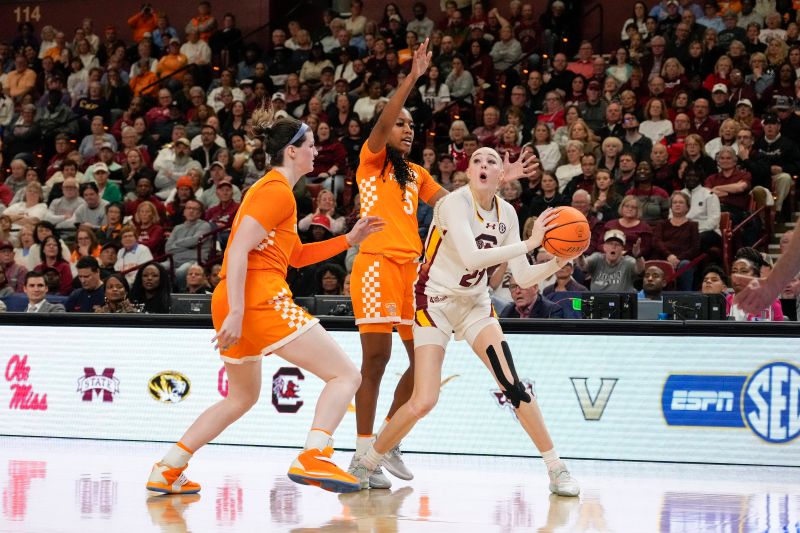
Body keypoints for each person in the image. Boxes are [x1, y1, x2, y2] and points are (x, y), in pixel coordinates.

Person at [145, 105, 384, 496]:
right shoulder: (275, 191)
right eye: (309, 145)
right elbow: (236, 249)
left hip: (238, 297)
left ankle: (168, 468)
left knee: (241, 397)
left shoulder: (275, 193)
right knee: (346, 375)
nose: (315, 151)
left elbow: (295, 257)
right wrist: (238, 312)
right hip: (254, 297)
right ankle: (314, 454)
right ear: (291, 151)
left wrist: (349, 240)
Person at [348, 147, 579, 497]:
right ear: (468, 173)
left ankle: (556, 467)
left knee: (513, 384)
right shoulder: (454, 203)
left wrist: (559, 260)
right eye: (477, 161)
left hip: (474, 304)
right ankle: (367, 461)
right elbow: (472, 258)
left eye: (491, 162)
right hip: (433, 302)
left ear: (501, 176)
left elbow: (524, 276)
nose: (483, 165)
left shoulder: (509, 214)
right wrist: (532, 242)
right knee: (424, 400)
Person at [348, 39, 449, 490]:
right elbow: (388, 116)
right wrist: (412, 78)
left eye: (412, 125)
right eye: (400, 124)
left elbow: (452, 207)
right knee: (376, 361)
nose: (407, 129)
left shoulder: (416, 174)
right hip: (374, 267)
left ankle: (385, 442)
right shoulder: (370, 164)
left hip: (412, 273)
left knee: (423, 363)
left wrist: (492, 188)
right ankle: (360, 452)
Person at [576, 229, 645, 292]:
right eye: (610, 243)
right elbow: (583, 266)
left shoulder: (628, 262)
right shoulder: (597, 258)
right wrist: (579, 253)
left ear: (622, 249)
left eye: (617, 244)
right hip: (598, 300)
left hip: (621, 302)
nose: (613, 246)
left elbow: (640, 269)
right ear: (604, 247)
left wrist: (638, 256)